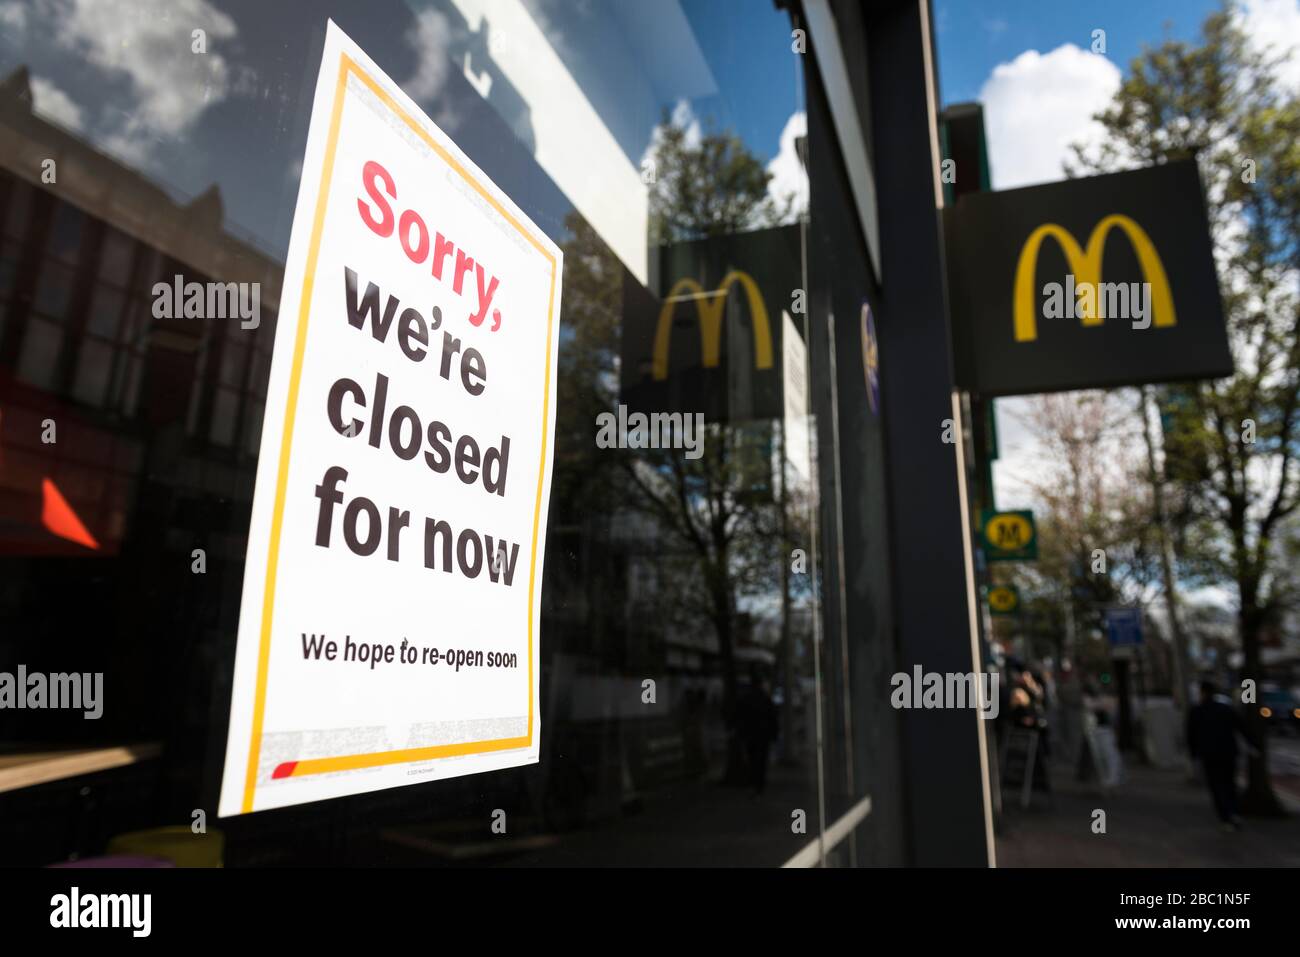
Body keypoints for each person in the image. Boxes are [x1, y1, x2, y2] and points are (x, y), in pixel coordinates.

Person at [1186, 679, 1251, 831]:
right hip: (1228, 752)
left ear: (1202, 692)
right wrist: (1253, 743)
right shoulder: (1225, 709)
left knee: (1216, 786)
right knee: (1230, 784)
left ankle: (1226, 817)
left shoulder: (1197, 711)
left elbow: (1191, 735)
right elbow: (1241, 726)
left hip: (1209, 754)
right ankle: (1234, 812)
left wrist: (1193, 753)